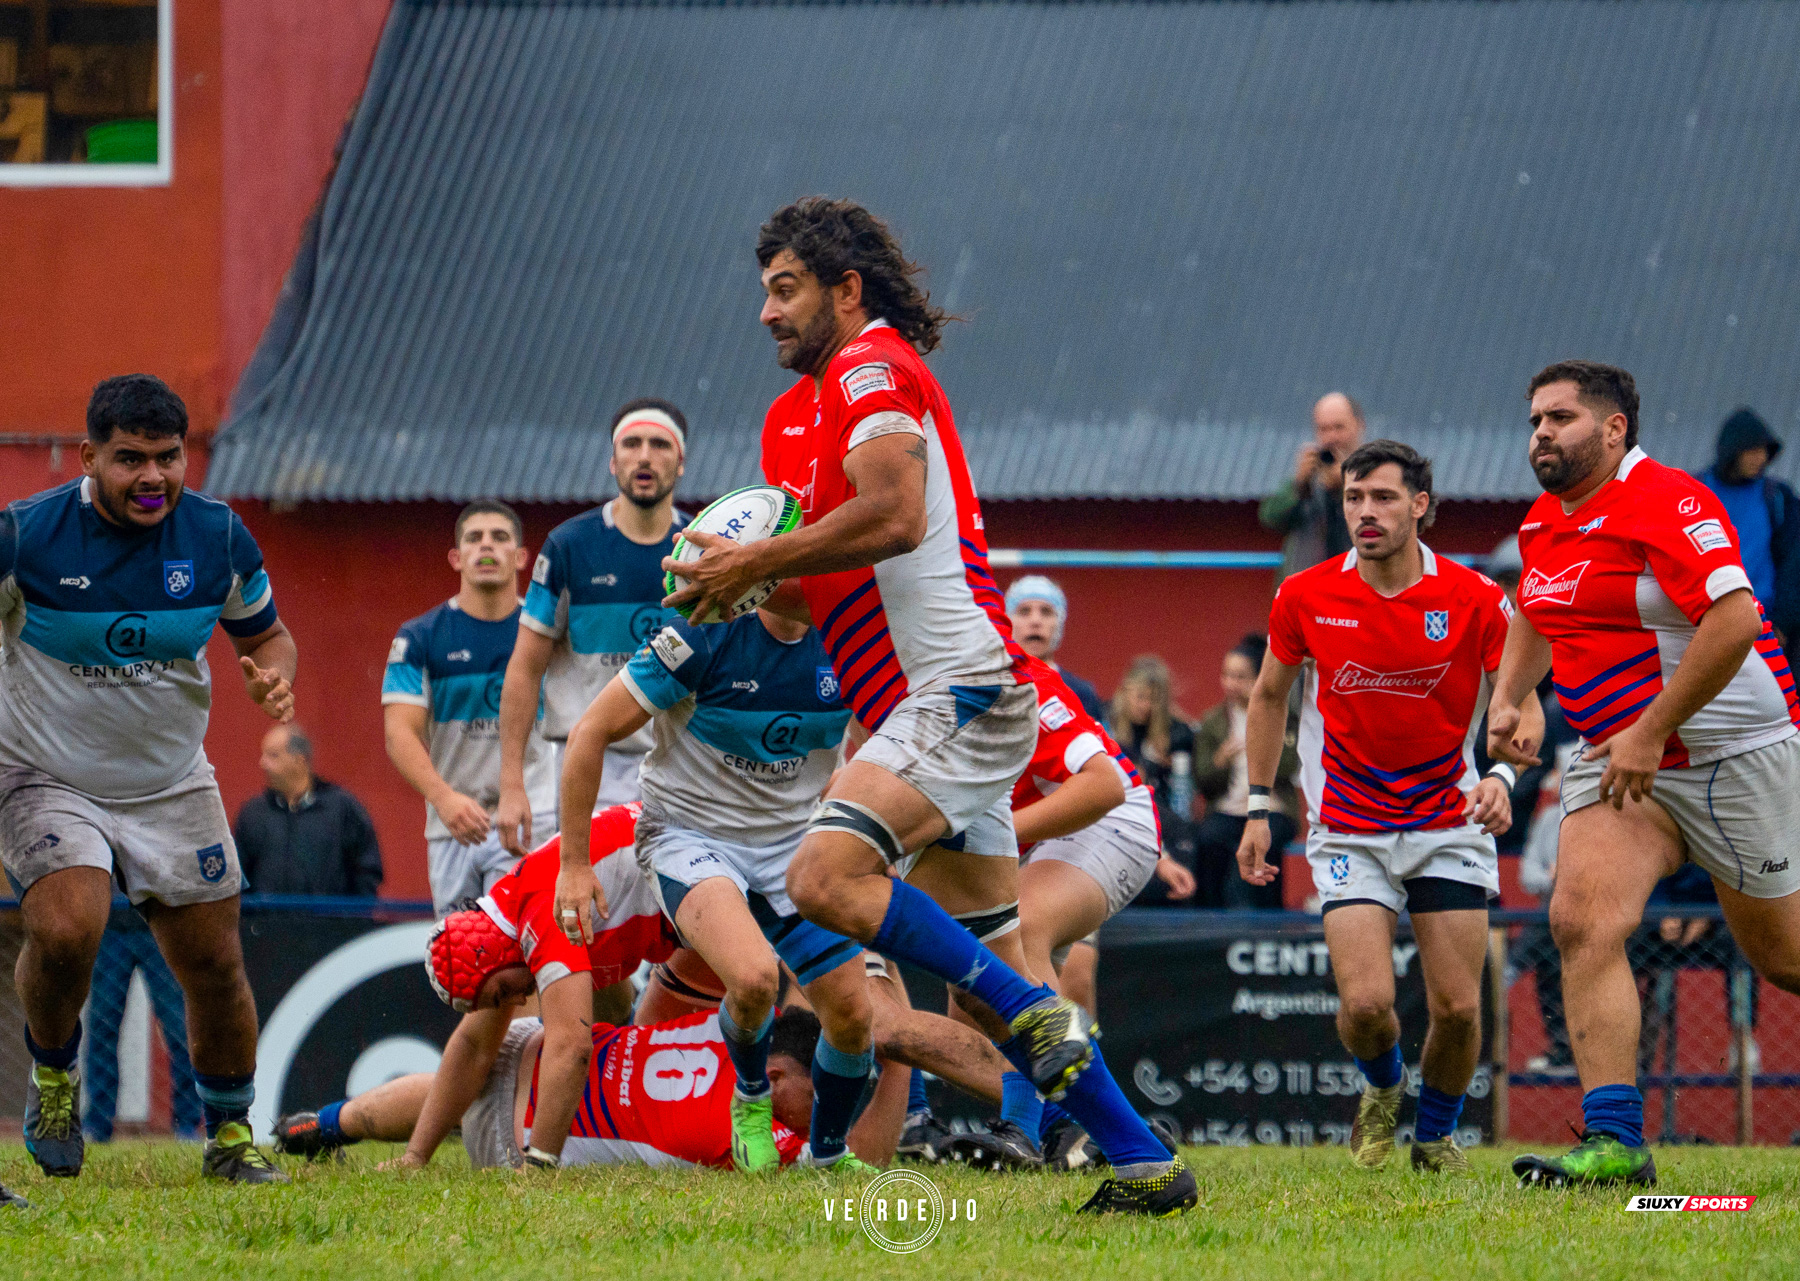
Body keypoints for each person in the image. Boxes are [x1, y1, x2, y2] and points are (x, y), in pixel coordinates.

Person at [662, 196, 1192, 1215]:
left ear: (845, 290)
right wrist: (733, 578)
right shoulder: (803, 411)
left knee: (823, 878)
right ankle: (1145, 1162)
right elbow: (823, 577)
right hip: (923, 706)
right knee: (991, 967)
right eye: (762, 292)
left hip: (957, 690)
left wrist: (757, 557)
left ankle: (1031, 1016)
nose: (767, 313)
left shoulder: (870, 365)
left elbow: (897, 517)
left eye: (786, 290)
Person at [1490, 361, 1800, 1189]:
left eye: (1560, 417)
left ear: (1616, 427)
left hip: (1736, 757)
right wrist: (1512, 697)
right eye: (1535, 420)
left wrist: (1652, 728)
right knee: (1581, 919)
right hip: (1620, 761)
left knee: (1785, 960)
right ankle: (1617, 1142)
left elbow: (1734, 617)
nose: (1541, 434)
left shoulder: (1669, 499)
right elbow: (1532, 609)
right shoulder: (1543, 525)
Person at [0, 374, 293, 1183]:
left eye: (168, 458)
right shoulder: (24, 538)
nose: (154, 478)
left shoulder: (219, 537)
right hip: (44, 771)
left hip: (169, 782)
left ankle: (231, 1138)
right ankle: (53, 1075)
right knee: (68, 925)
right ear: (89, 456)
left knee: (214, 963)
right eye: (131, 460)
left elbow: (268, 637)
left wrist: (271, 676)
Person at [1237, 439, 1542, 1175]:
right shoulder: (1305, 593)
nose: (1365, 513)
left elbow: (1524, 702)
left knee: (1460, 1009)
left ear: (1420, 506)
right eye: (1353, 498)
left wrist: (1501, 773)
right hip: (1348, 826)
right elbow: (1269, 694)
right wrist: (1257, 804)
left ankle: (1434, 1136)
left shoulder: (1472, 598)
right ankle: (1381, 1090)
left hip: (1448, 823)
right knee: (1369, 1005)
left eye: (1381, 498)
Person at [552, 606, 877, 1172]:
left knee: (852, 1015)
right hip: (689, 834)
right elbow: (590, 731)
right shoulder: (698, 638)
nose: (831, 558)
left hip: (793, 842)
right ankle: (750, 1098)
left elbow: (882, 750)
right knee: (753, 980)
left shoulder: (852, 637)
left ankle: (827, 1153)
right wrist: (573, 865)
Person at [901, 655, 1171, 1171]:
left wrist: (999, 839)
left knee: (1017, 941)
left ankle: (1023, 1130)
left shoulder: (1013, 676)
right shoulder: (907, 682)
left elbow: (1103, 786)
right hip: (1034, 845)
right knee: (968, 999)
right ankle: (1097, 1131)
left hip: (1111, 821)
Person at [495, 399, 690, 853]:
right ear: (612, 460)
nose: (644, 456)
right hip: (590, 765)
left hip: (682, 766)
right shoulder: (569, 546)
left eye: (660, 445)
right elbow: (524, 668)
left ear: (680, 464)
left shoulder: (701, 547)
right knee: (591, 911)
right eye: (632, 444)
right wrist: (511, 784)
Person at [383, 501, 555, 915]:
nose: (486, 546)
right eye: (474, 538)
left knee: (523, 957)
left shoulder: (549, 634)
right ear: (456, 558)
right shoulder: (420, 637)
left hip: (534, 818)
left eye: (499, 537)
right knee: (464, 968)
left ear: (521, 557)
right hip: (453, 826)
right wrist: (444, 799)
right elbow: (398, 733)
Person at [82, 896, 204, 1143]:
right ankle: (97, 1125)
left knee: (179, 1030)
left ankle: (187, 1125)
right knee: (101, 1029)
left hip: (160, 926)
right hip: (112, 926)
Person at [1192, 635, 1300, 908]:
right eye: (1226, 675)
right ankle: (1211, 919)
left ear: (1257, 678)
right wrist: (1220, 761)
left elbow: (1289, 768)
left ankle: (1264, 919)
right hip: (1228, 808)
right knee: (1208, 838)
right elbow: (1204, 781)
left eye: (1240, 677)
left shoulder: (1282, 716)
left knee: (1267, 840)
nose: (1230, 684)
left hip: (1273, 808)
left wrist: (1262, 724)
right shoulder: (1213, 721)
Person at [234, 725, 383, 898]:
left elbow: (366, 870)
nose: (262, 763)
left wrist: (352, 920)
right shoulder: (253, 813)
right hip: (266, 923)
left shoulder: (342, 809)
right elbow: (238, 875)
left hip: (330, 923)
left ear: (300, 760)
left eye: (273, 755)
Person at [1697, 407, 1800, 648]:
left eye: (1764, 451)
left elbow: (1794, 564)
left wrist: (1782, 623)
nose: (1761, 458)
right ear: (1733, 452)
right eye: (1752, 451)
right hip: (1705, 623)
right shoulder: (1695, 492)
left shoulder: (1777, 497)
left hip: (1763, 625)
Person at [1260, 392, 1368, 586]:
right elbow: (1270, 518)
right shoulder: (1308, 477)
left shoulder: (1379, 472)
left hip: (1360, 590)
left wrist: (1347, 487)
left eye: (1339, 427)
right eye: (1324, 429)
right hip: (1307, 592)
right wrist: (1300, 486)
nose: (1331, 438)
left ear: (1360, 426)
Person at [1004, 575, 1107, 721]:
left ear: (1059, 623)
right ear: (1008, 621)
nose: (1035, 621)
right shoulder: (990, 687)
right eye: (1024, 611)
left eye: (1046, 612)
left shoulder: (1080, 694)